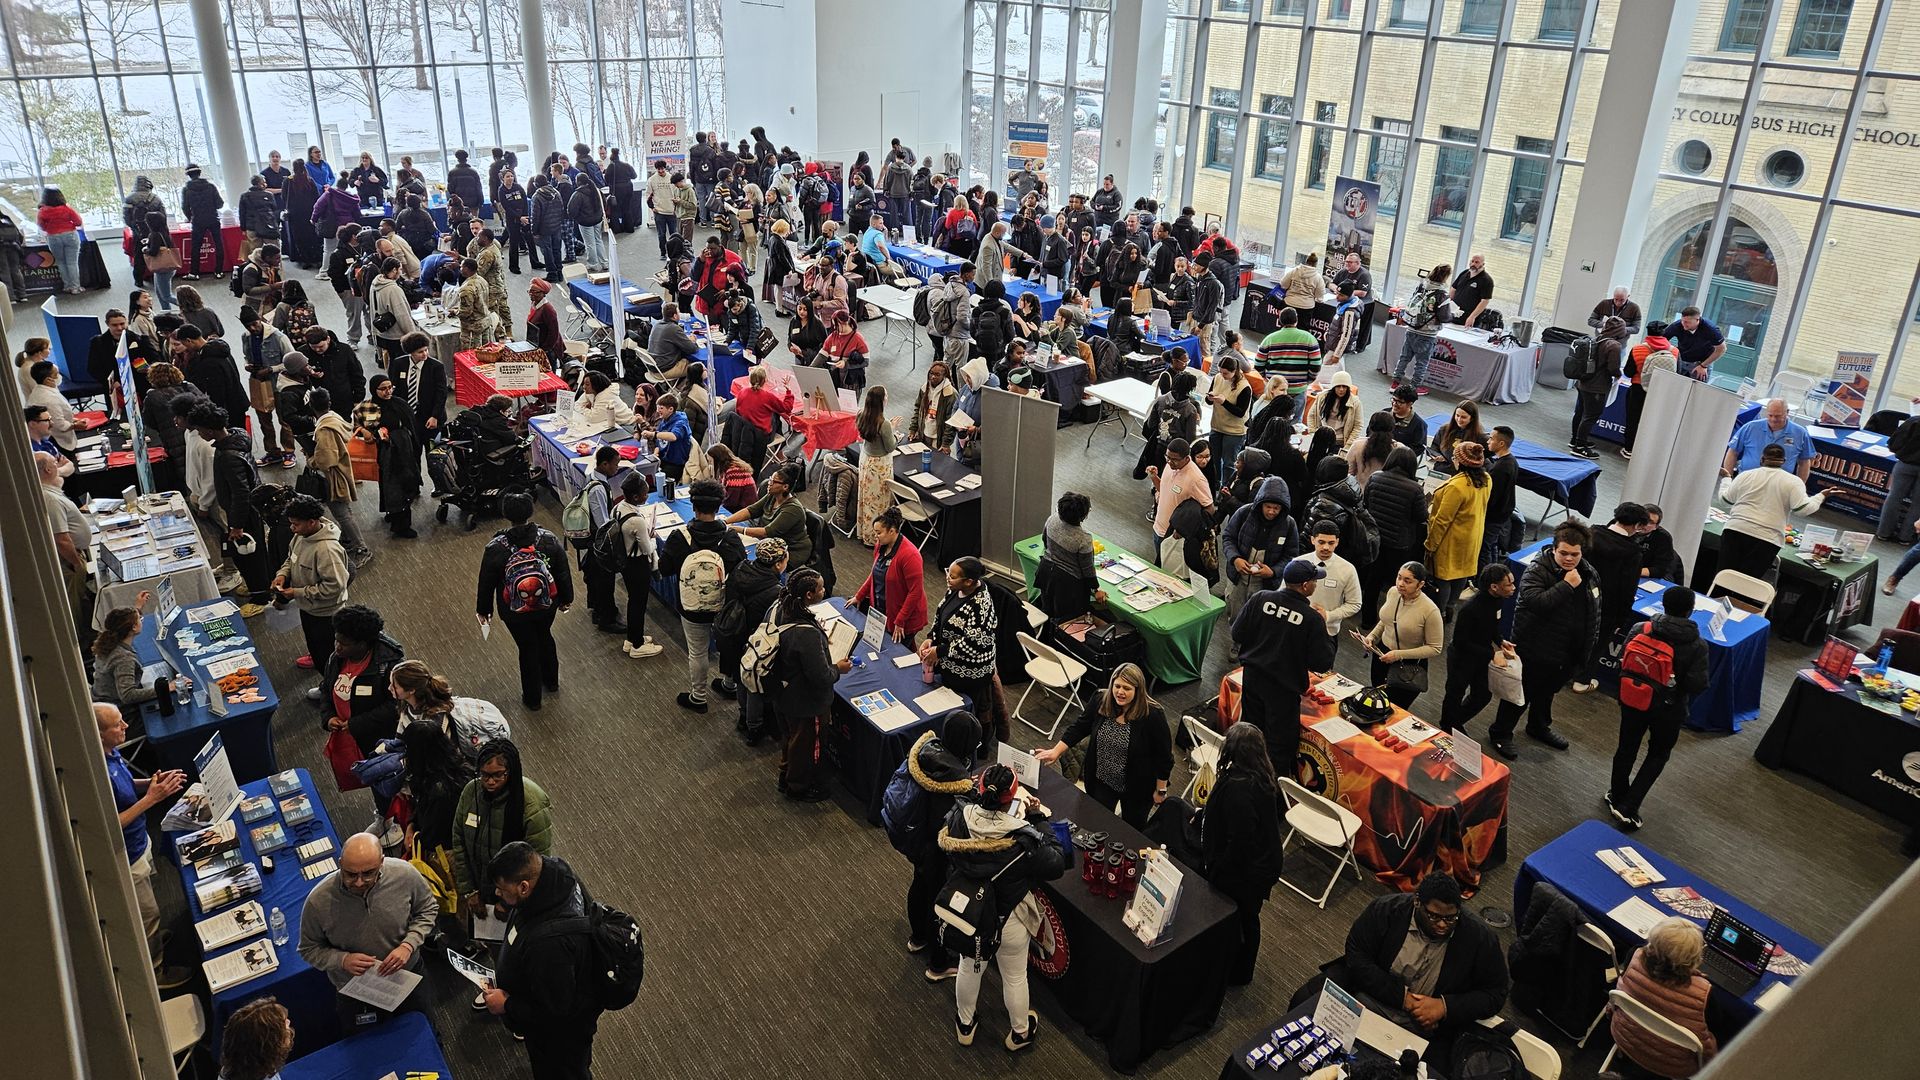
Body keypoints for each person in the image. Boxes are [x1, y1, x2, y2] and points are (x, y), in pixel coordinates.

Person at [938, 764, 1068, 1052]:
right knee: (1014, 976)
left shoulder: (960, 817)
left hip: (969, 911)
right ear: (1010, 800)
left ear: (980, 788)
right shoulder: (1022, 839)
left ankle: (965, 1024)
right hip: (1007, 917)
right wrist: (1038, 820)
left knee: (968, 967)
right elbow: (1056, 863)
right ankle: (1020, 1033)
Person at [1327, 872, 1510, 1065]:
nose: (1441, 924)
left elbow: (1496, 993)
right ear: (1417, 902)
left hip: (1430, 1028)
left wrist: (1444, 1006)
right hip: (1372, 999)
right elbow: (1356, 954)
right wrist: (1403, 998)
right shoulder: (1385, 910)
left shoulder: (1480, 938)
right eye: (1433, 916)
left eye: (1450, 918)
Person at [483, 842, 606, 1079]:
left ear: (524, 887)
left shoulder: (549, 945)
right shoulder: (555, 873)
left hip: (560, 1039)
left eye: (501, 888)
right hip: (564, 1005)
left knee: (563, 1073)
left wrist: (507, 1005)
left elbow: (553, 1012)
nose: (498, 893)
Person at [96, 703, 193, 989]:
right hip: (124, 855)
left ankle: (152, 938)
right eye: (117, 725)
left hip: (140, 843)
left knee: (149, 904)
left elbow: (127, 784)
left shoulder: (112, 754)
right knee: (148, 914)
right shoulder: (96, 772)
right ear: (99, 734)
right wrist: (152, 798)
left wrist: (151, 784)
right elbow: (109, 825)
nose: (125, 726)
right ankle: (157, 973)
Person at [298, 832, 437, 1031]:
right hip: (356, 991)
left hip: (407, 978)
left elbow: (428, 908)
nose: (359, 882)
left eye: (368, 873)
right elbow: (308, 949)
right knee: (367, 1048)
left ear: (382, 862)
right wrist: (342, 960)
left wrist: (409, 945)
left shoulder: (405, 875)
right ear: (340, 863)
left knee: (423, 1033)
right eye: (351, 874)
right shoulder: (318, 901)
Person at [1490, 521, 1600, 759]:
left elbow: (1593, 608)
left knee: (1547, 693)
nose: (1569, 559)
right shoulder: (1537, 570)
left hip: (1565, 650)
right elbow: (1536, 603)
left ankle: (1538, 727)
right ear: (1554, 549)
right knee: (1521, 695)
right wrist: (1566, 585)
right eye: (1564, 553)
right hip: (1534, 648)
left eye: (1575, 554)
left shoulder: (1588, 572)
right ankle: (1500, 733)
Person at [1608, 586, 1710, 831]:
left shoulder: (1640, 628)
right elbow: (1697, 684)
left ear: (1663, 606)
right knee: (1658, 754)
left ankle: (1616, 793)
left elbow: (1623, 659)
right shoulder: (1697, 645)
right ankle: (1629, 806)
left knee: (1626, 747)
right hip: (1669, 709)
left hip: (1633, 699)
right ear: (1690, 610)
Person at [1231, 558, 1336, 777]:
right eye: (1314, 581)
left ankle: (1242, 776)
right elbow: (1322, 662)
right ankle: (1269, 788)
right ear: (1305, 586)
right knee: (1279, 745)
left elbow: (1237, 633)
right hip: (1283, 690)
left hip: (1252, 678)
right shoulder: (1311, 619)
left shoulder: (1260, 598)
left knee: (1250, 732)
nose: (1316, 585)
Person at [1033, 663, 1171, 828]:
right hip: (1101, 779)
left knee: (1131, 829)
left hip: (1137, 787)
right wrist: (1056, 751)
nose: (1120, 692)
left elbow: (1164, 757)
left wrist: (1160, 790)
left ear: (1138, 690)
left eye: (1126, 688)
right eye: (1117, 686)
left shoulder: (1152, 715)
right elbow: (1080, 727)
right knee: (1096, 823)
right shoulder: (1100, 699)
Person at [900, 710, 982, 984]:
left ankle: (918, 938)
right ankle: (938, 964)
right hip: (937, 849)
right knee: (939, 903)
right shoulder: (954, 780)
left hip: (915, 838)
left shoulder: (927, 755)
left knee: (919, 885)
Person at [1202, 723, 1285, 986]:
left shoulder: (1241, 788)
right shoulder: (1261, 776)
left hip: (1248, 872)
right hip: (1261, 864)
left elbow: (1239, 842)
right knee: (1248, 919)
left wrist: (1217, 870)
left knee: (1245, 920)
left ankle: (1240, 972)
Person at [477, 492, 574, 711]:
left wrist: (484, 610)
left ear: (505, 513)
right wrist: (566, 598)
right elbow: (561, 570)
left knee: (527, 647)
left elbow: (486, 581)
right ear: (531, 511)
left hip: (514, 610)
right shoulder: (547, 539)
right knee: (545, 637)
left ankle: (533, 699)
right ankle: (552, 682)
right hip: (546, 605)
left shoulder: (496, 547)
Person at [663, 479, 748, 714]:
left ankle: (698, 696)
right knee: (729, 646)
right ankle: (729, 684)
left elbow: (665, 568)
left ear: (693, 506)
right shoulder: (730, 538)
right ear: (719, 506)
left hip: (691, 606)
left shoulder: (679, 537)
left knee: (698, 651)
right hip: (724, 605)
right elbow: (741, 570)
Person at [766, 567, 847, 800]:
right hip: (806, 702)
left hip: (782, 693)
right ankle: (799, 786)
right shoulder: (806, 634)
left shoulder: (779, 608)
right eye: (821, 587)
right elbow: (821, 676)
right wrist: (838, 669)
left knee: (790, 738)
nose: (825, 590)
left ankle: (786, 773)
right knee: (806, 745)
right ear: (809, 595)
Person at [1609, 918, 1719, 1077]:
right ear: (1693, 957)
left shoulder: (1634, 955)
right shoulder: (1704, 993)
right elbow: (1713, 1030)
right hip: (1674, 1066)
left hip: (1625, 1038)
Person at [921, 558, 1001, 757]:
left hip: (970, 673)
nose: (948, 577)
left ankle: (969, 749)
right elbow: (940, 616)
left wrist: (939, 651)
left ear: (969, 581)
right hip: (949, 664)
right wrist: (931, 638)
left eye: (953, 576)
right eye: (949, 572)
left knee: (965, 717)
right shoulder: (954, 590)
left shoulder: (981, 606)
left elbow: (974, 644)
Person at [1716, 443, 1825, 582]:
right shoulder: (1794, 481)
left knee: (1723, 578)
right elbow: (1802, 509)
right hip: (1767, 538)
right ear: (1784, 461)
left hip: (1735, 530)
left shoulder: (1746, 475)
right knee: (1744, 585)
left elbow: (1725, 500)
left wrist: (1726, 478)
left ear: (1762, 459)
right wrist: (1820, 496)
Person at [1577, 502, 1654, 692]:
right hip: (1607, 609)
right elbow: (1628, 589)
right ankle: (1582, 681)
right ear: (1636, 525)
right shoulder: (1633, 553)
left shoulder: (1591, 533)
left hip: (1578, 598)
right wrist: (1622, 617)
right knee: (1597, 645)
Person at [271, 495, 351, 672]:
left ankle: (331, 691)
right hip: (308, 609)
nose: (292, 528)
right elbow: (290, 559)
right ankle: (325, 681)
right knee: (316, 649)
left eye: (296, 524)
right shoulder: (301, 536)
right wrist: (282, 575)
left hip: (326, 615)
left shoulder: (327, 551)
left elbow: (334, 587)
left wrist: (297, 593)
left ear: (312, 522)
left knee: (330, 657)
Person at [1441, 564, 1516, 732]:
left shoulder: (1498, 600)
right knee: (1455, 693)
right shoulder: (1470, 609)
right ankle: (1447, 725)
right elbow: (1461, 642)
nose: (1513, 587)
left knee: (1482, 695)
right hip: (1461, 658)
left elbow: (1492, 625)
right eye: (1509, 584)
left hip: (1480, 655)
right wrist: (1492, 653)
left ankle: (1454, 722)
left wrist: (1500, 640)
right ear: (1494, 587)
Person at [1363, 561, 1445, 710]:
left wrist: (1398, 654)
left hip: (1409, 665)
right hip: (1382, 655)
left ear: (1420, 584)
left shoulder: (1430, 610)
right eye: (1399, 577)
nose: (1401, 584)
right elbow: (1386, 620)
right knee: (1378, 700)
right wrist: (1372, 637)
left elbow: (1435, 648)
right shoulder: (1393, 592)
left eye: (1408, 581)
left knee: (1395, 709)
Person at [1221, 478, 1299, 628]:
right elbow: (1228, 537)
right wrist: (1235, 558)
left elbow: (1291, 556)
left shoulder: (1289, 524)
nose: (1271, 511)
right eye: (1268, 506)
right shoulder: (1244, 513)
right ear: (1260, 503)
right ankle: (1235, 642)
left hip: (1265, 584)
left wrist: (1273, 572)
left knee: (1257, 619)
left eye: (1276, 508)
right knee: (1235, 612)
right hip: (1238, 578)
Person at [352, 375, 421, 538]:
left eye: (390, 387)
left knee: (399, 485)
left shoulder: (399, 404)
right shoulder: (369, 407)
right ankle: (399, 523)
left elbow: (412, 426)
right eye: (383, 389)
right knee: (391, 486)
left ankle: (399, 519)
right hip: (384, 453)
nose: (388, 391)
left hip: (403, 452)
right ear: (374, 390)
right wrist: (365, 431)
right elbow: (358, 427)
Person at [1426, 441, 1490, 614]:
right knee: (1461, 573)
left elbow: (1442, 520)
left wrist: (1430, 545)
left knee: (1443, 577)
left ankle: (1439, 612)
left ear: (1460, 462)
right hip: (1473, 536)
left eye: (1454, 457)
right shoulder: (1486, 479)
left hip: (1451, 539)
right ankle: (1451, 607)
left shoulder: (1456, 486)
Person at [1362, 446, 1427, 617]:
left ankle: (1367, 617)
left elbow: (1365, 503)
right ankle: (1391, 619)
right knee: (1397, 583)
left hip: (1374, 537)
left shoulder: (1375, 478)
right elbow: (1421, 516)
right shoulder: (1415, 488)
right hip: (1399, 543)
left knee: (1372, 579)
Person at [855, 507, 928, 646]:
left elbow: (915, 592)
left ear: (892, 531)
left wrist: (900, 621)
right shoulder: (880, 545)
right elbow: (875, 573)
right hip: (883, 610)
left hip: (905, 618)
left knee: (896, 654)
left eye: (878, 533)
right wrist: (859, 596)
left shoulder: (910, 556)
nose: (875, 536)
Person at [1570, 315, 1627, 458]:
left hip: (1583, 382)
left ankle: (1575, 439)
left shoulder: (1596, 339)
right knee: (1590, 416)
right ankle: (1580, 447)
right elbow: (1613, 368)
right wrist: (1619, 376)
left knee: (1581, 412)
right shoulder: (1614, 345)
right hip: (1597, 387)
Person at [1305, 518, 1365, 655]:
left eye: (1331, 543)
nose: (1326, 547)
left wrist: (1329, 615)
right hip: (1297, 628)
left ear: (1337, 542)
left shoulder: (1347, 569)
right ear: (1312, 540)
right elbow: (1283, 593)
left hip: (1327, 632)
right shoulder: (1299, 563)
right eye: (1321, 542)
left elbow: (1355, 603)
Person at [1146, 437, 1213, 557]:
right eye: (1167, 457)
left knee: (1170, 573)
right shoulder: (1170, 465)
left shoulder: (1197, 479)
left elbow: (1209, 509)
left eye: (1174, 459)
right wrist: (1154, 477)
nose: (1170, 462)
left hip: (1174, 537)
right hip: (1158, 528)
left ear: (1187, 458)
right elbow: (1164, 490)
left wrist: (1185, 529)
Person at [1392, 264, 1453, 395]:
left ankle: (1395, 382)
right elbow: (1444, 316)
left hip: (1411, 329)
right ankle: (1415, 387)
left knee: (1404, 357)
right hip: (1427, 333)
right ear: (1446, 277)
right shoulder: (1442, 295)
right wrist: (1454, 315)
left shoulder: (1422, 287)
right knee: (1422, 362)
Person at [1722, 397, 1815, 482]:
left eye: (1778, 416)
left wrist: (1800, 487)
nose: (1773, 419)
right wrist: (1728, 479)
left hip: (1780, 487)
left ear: (1787, 412)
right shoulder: (1750, 427)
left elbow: (1804, 462)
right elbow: (1732, 452)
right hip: (1747, 481)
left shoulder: (1800, 433)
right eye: (1770, 415)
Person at [218, 997, 295, 1080]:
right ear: (269, 1046)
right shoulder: (264, 1070)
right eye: (284, 1024)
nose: (288, 1022)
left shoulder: (233, 1067)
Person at [1256, 307, 1322, 401]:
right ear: (1296, 320)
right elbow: (1316, 365)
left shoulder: (1269, 339)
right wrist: (1306, 381)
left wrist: (1268, 380)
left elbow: (1258, 364)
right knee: (1296, 416)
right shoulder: (1310, 339)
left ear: (1280, 321)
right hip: (1298, 389)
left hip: (1274, 389)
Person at [1481, 426, 1518, 568]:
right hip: (1503, 513)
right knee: (1491, 545)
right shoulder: (1511, 461)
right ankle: (1494, 569)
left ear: (1501, 443)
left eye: (1491, 438)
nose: (1488, 441)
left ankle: (1483, 577)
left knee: (1484, 548)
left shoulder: (1500, 468)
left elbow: (1492, 496)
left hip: (1493, 516)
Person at [1306, 369, 1363, 451]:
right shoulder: (1322, 397)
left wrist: (1347, 446)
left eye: (1344, 386)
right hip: (1321, 438)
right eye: (1338, 386)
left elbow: (1358, 426)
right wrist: (1312, 433)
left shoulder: (1355, 403)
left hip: (1339, 443)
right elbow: (1312, 415)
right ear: (1333, 387)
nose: (1341, 389)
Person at [1663, 306, 1725, 380]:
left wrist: (1704, 365)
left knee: (1698, 389)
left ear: (1697, 320)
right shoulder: (1677, 325)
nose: (1683, 324)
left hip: (1701, 363)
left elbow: (1722, 349)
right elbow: (1662, 340)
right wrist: (1670, 353)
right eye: (1682, 320)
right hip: (1681, 360)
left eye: (1687, 322)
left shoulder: (1710, 328)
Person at [1449, 254, 1493, 328]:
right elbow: (1453, 289)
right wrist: (1448, 306)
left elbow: (1484, 301)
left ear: (1483, 264)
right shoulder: (1464, 273)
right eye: (1472, 261)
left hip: (1468, 319)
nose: (1473, 264)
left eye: (1477, 262)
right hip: (1454, 314)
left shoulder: (1486, 280)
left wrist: (1472, 317)